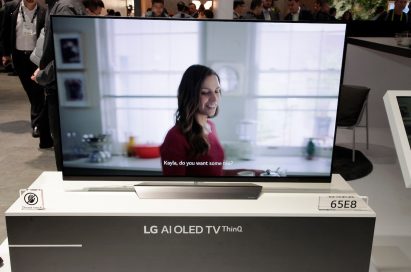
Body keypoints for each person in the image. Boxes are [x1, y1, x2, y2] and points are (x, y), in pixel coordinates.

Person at [1, 0, 53, 148]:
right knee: (31, 91)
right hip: (19, 57)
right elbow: (4, 31)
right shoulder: (12, 7)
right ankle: (40, 122)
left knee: (36, 91)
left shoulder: (44, 9)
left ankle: (38, 124)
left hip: (36, 58)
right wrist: (5, 54)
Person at [161, 65, 224, 176]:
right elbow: (176, 188)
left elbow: (214, 174)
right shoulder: (175, 138)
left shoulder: (211, 126)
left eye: (217, 91)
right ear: (190, 95)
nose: (215, 98)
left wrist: (243, 174)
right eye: (205, 92)